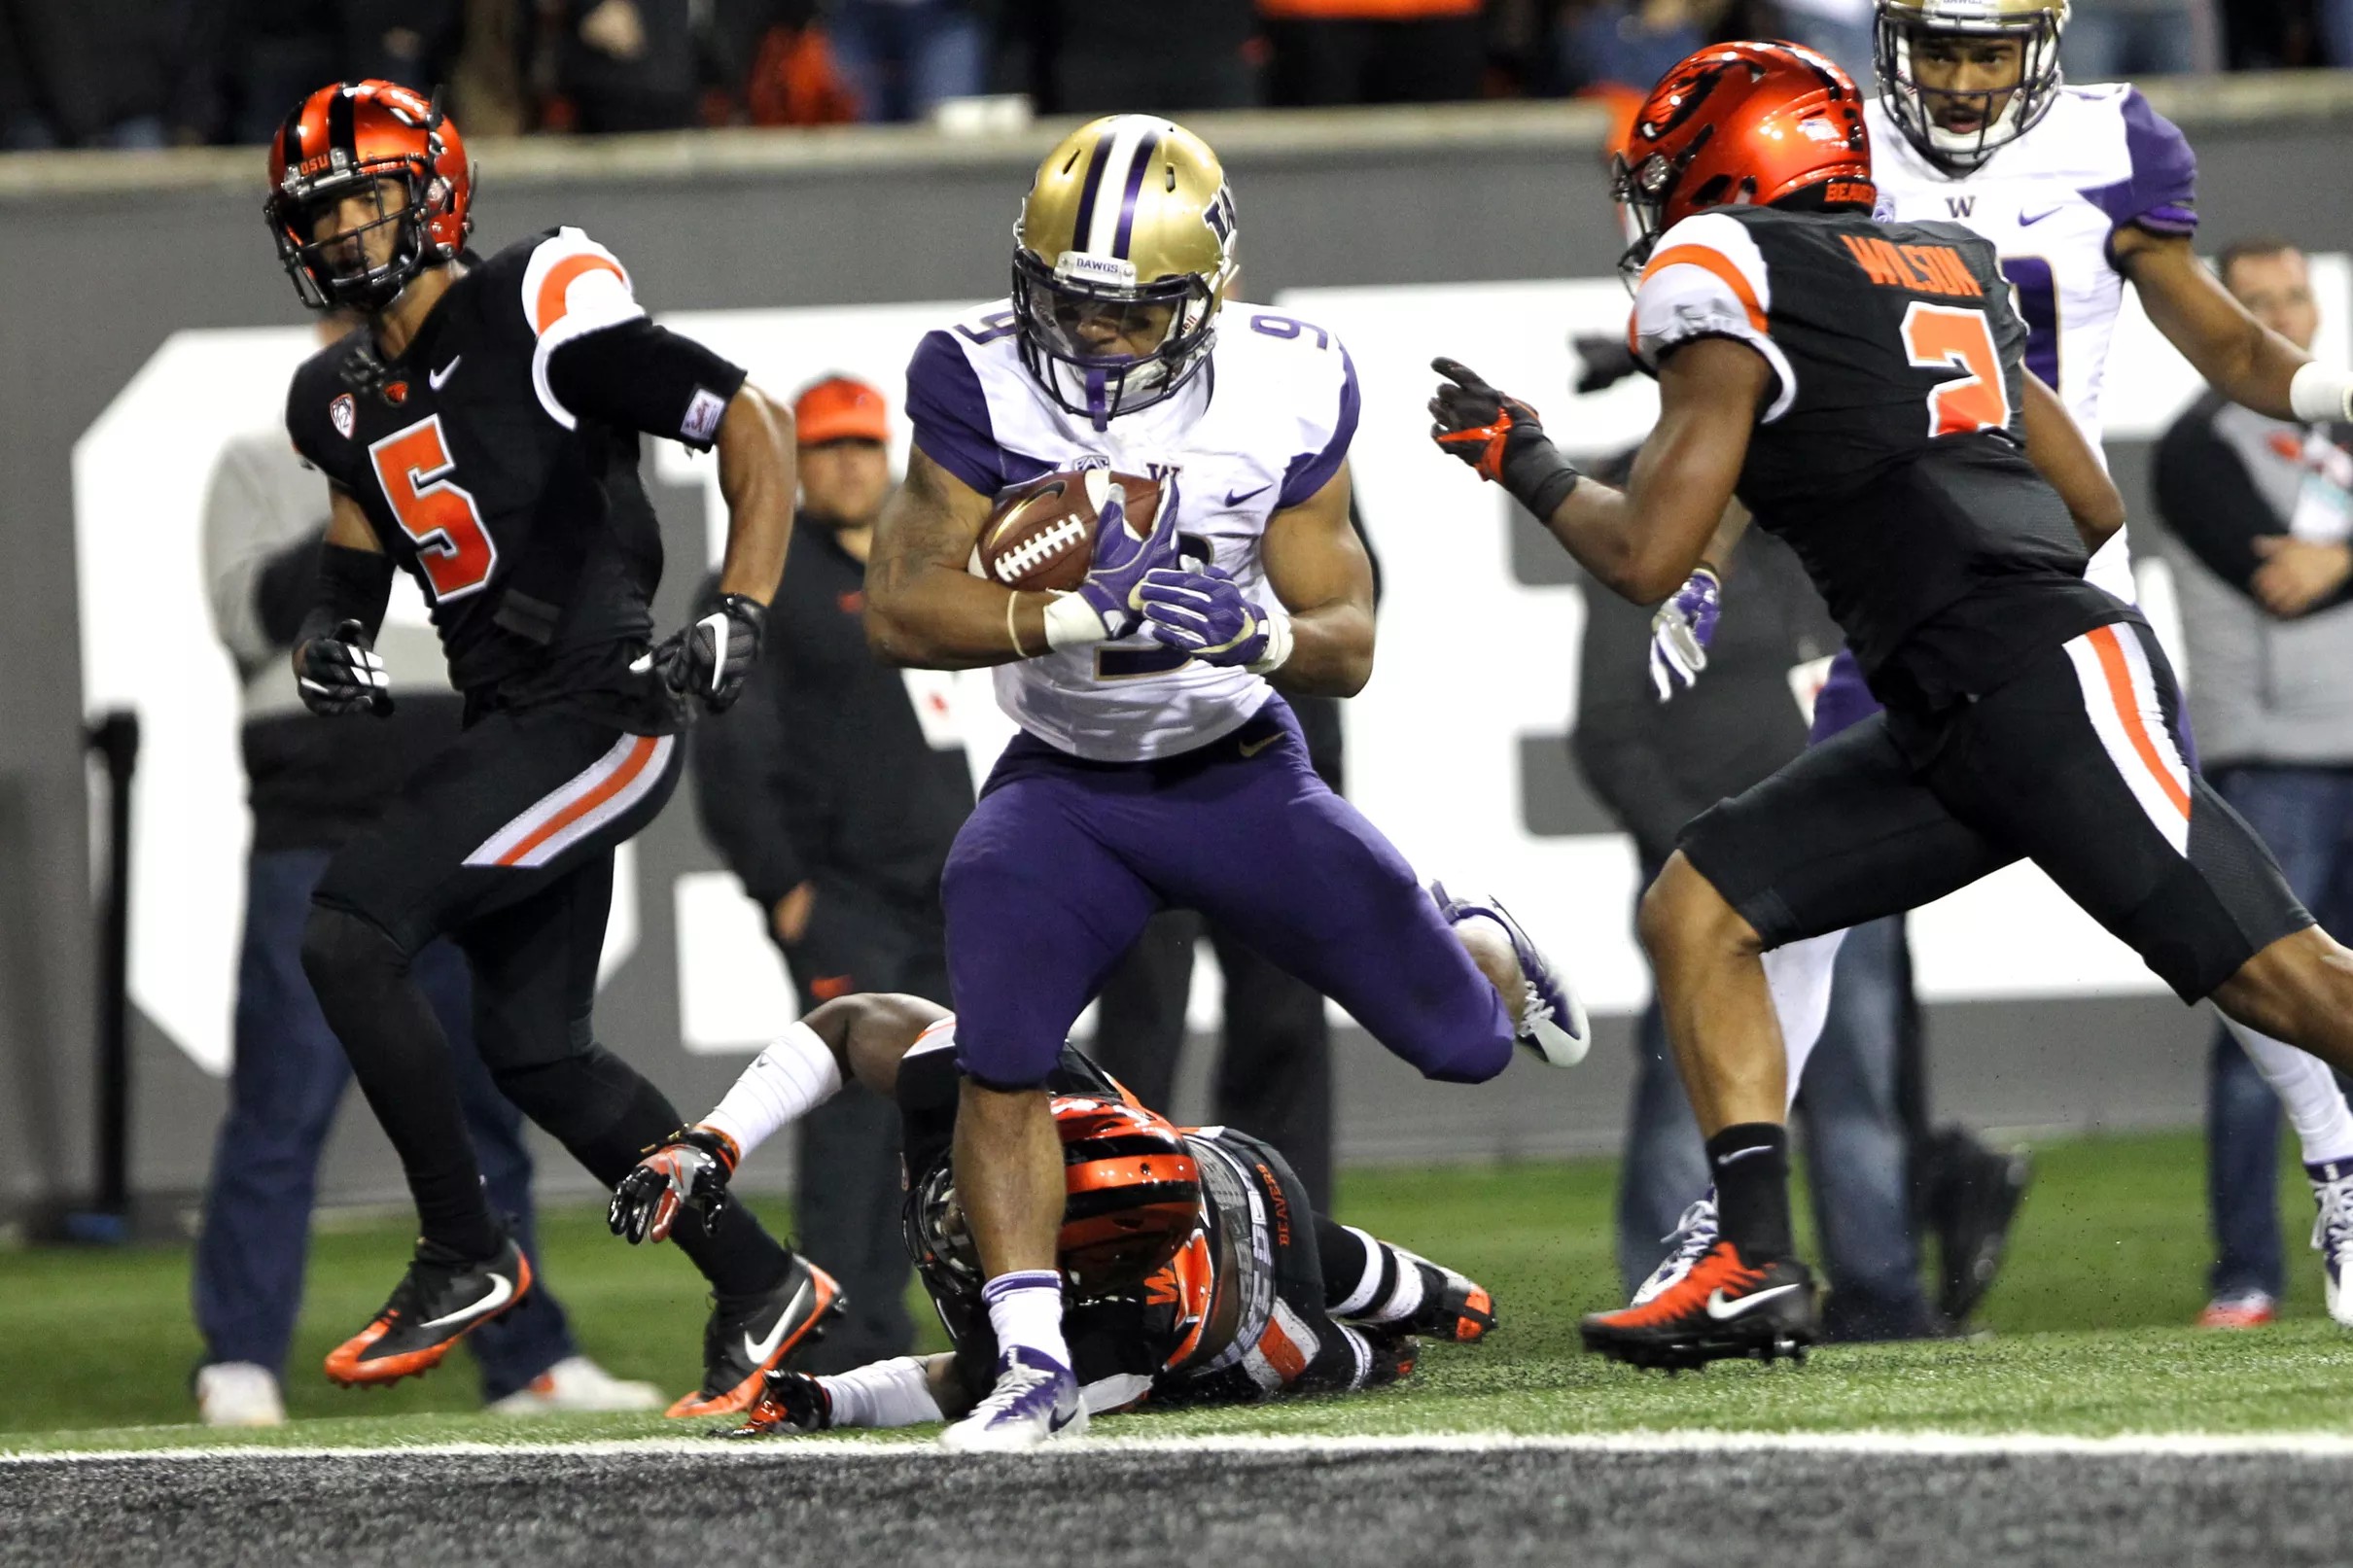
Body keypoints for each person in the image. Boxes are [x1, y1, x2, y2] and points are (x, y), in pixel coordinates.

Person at [1430, 40, 2353, 1371]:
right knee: (1704, 904)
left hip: (2031, 680)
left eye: (1667, 177)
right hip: (1965, 685)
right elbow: (2088, 503)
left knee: (2287, 978)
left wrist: (1521, 460)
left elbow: (1646, 557)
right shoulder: (1945, 261)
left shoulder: (1722, 271)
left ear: (1730, 171)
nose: (1653, 210)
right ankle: (1751, 1261)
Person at [861, 113, 1591, 1447]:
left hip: (1236, 771)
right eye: (1070, 305)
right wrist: (1082, 615)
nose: (1091, 341)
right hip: (1066, 783)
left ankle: (1473, 939)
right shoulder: (971, 375)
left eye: (1132, 316)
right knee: (1001, 1044)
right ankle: (1032, 1360)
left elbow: (1351, 642)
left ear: (1214, 294)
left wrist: (1262, 634)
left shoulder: (1291, 382)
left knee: (1466, 1048)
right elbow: (903, 606)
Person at [263, 78, 831, 1417]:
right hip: (515, 716)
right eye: (320, 212)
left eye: (365, 198)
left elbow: (753, 419)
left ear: (436, 190)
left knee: (349, 929)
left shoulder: (533, 304)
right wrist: (330, 639)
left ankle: (465, 1246)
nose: (343, 232)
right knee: (535, 1049)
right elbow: (357, 553)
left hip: (604, 706)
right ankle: (760, 1285)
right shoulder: (340, 397)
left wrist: (739, 602)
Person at [192, 341, 656, 1426]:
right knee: (282, 1102)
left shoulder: (480, 456)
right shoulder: (260, 462)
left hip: (460, 816)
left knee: (490, 1098)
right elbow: (245, 616)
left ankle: (525, 1357)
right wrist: (375, 483)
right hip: (320, 825)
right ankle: (242, 1357)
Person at [607, 992, 1494, 1433]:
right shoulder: (993, 1073)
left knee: (1395, 1344)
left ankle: (1414, 1317)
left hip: (1249, 1317)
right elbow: (846, 1024)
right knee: (1440, 1299)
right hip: (1217, 1168)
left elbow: (967, 1379)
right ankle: (1429, 1296)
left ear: (1075, 1267)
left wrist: (830, 1399)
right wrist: (713, 1140)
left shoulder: (1111, 1328)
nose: (971, 1215)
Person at [689, 372, 973, 1372]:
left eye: (863, 444)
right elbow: (728, 751)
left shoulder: (913, 566)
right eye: (827, 447)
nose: (850, 462)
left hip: (939, 892)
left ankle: (891, 1331)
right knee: (851, 1113)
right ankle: (816, 1339)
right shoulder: (767, 579)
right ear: (798, 464)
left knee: (932, 1115)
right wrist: (784, 886)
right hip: (844, 893)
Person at [2153, 237, 2353, 1329]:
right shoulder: (2197, 443)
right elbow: (2275, 579)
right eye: (2258, 302)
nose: (2284, 317)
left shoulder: (2342, 423)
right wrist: (2327, 568)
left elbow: (2322, 566)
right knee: (2265, 1023)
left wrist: (2342, 554)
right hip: (2268, 758)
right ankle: (2245, 1272)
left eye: (2295, 297)